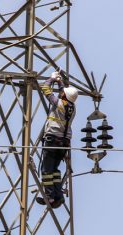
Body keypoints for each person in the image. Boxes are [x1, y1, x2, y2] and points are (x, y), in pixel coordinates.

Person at [36, 71, 79, 208]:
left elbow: (45, 88)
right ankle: (58, 195)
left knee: (46, 170)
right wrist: (59, 81)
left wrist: (51, 78)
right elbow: (63, 92)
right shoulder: (72, 106)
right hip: (64, 142)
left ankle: (50, 196)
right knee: (54, 170)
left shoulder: (58, 103)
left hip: (53, 139)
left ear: (64, 96)